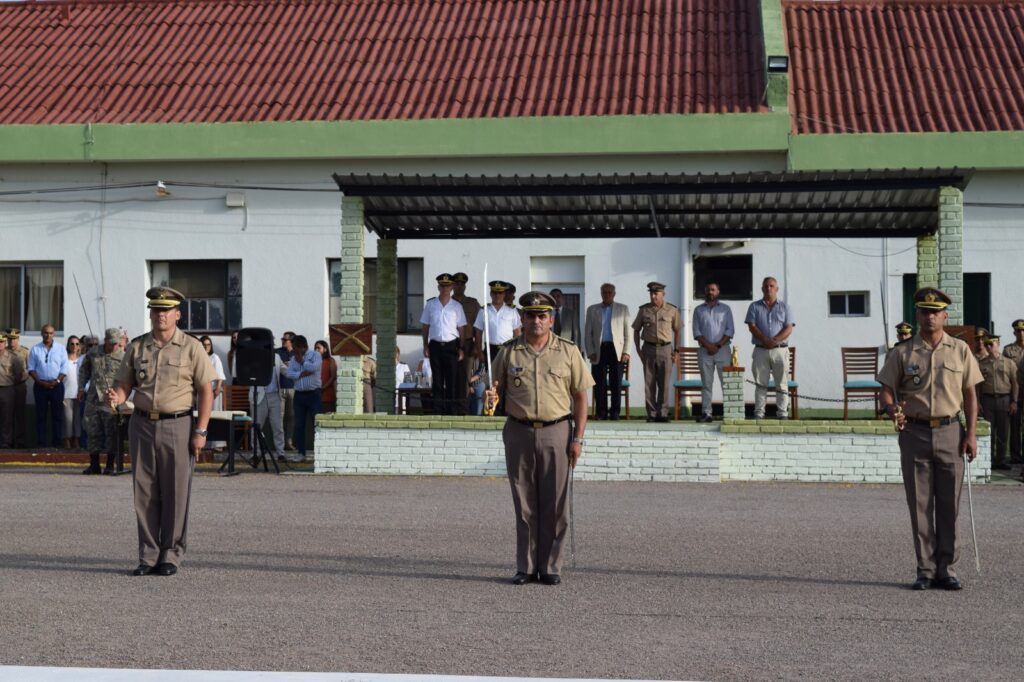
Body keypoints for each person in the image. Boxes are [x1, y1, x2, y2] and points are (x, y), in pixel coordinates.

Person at [877, 287, 982, 591]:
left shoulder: (960, 350)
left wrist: (972, 434)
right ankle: (925, 569)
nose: (930, 317)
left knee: (949, 504)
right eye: (924, 311)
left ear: (945, 316)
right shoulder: (904, 352)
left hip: (951, 431)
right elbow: (886, 387)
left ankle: (946, 568)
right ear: (918, 315)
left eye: (935, 312)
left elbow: (971, 395)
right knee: (920, 505)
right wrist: (889, 408)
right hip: (915, 432)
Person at [487, 291, 593, 586]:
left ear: (551, 320)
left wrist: (578, 439)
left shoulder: (568, 351)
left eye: (542, 316)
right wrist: (490, 396)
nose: (536, 320)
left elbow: (581, 398)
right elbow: (493, 388)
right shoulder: (509, 351)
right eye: (530, 315)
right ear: (521, 318)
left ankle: (551, 567)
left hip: (557, 431)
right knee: (524, 503)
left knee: (555, 504)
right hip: (518, 430)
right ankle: (526, 566)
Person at [107, 287, 214, 577]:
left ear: (177, 314)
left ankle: (171, 554)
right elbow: (124, 384)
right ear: (150, 314)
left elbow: (206, 390)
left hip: (177, 424)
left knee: (176, 491)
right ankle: (148, 555)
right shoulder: (138, 347)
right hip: (141, 423)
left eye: (166, 310)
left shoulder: (191, 347)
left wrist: (201, 431)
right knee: (144, 492)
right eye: (156, 310)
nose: (160, 315)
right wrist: (116, 396)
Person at [744, 276, 795, 420]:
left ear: (777, 289)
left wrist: (774, 340)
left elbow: (789, 328)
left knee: (782, 384)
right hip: (761, 350)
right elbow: (752, 326)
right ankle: (759, 413)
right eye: (766, 286)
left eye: (772, 286)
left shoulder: (785, 307)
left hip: (780, 350)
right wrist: (765, 339)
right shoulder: (754, 306)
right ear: (762, 288)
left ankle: (782, 414)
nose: (769, 288)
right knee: (761, 384)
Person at [78, 328, 125, 474]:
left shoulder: (123, 357)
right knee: (92, 430)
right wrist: (81, 388)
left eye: (116, 343)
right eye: (111, 343)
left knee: (111, 431)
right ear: (106, 341)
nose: (114, 346)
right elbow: (84, 370)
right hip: (93, 397)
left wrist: (121, 394)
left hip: (111, 399)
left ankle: (110, 465)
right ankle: (94, 464)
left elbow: (127, 378)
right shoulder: (94, 353)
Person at [632, 282, 681, 422]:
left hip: (666, 349)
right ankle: (652, 414)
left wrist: (676, 350)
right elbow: (636, 329)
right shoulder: (644, 310)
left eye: (656, 294)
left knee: (664, 383)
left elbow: (677, 330)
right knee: (649, 383)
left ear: (663, 295)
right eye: (651, 294)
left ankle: (663, 413)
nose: (653, 296)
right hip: (648, 349)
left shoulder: (672, 310)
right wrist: (637, 349)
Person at [420, 273, 466, 415]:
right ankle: (438, 409)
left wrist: (461, 348)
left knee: (452, 379)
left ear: (452, 287)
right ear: (439, 287)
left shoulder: (457, 306)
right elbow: (425, 327)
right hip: (435, 346)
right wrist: (425, 346)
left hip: (452, 346)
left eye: (448, 286)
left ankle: (452, 409)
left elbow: (461, 329)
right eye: (443, 286)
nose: (445, 288)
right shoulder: (430, 304)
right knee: (437, 380)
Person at [584, 283, 631, 420]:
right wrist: (590, 351)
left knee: (616, 382)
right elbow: (588, 334)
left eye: (610, 292)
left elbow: (628, 332)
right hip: (599, 349)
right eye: (604, 292)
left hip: (617, 350)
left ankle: (615, 412)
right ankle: (601, 412)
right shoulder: (592, 310)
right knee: (599, 382)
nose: (607, 295)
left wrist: (626, 352)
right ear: (601, 294)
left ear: (614, 294)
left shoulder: (623, 309)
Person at [692, 282, 735, 423]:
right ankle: (706, 413)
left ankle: (729, 414)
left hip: (722, 350)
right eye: (708, 290)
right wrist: (708, 346)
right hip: (705, 351)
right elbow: (697, 332)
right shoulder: (698, 310)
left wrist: (717, 345)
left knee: (726, 383)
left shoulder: (726, 309)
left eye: (713, 289)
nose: (711, 292)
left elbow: (730, 330)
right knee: (706, 384)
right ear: (705, 291)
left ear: (718, 291)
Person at [977, 335, 1018, 471]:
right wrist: (977, 402)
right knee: (989, 431)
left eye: (991, 344)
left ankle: (1000, 460)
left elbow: (1015, 383)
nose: (988, 347)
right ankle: (989, 459)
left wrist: (1014, 401)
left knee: (1003, 431)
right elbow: (978, 385)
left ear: (998, 344)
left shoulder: (1009, 363)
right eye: (987, 344)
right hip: (988, 399)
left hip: (1004, 399)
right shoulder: (982, 363)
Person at [28, 324, 70, 447]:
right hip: (40, 386)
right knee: (41, 416)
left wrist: (57, 381)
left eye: (51, 333)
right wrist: (40, 382)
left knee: (57, 416)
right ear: (42, 333)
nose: (48, 335)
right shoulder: (35, 349)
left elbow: (64, 368)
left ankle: (57, 443)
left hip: (56, 386)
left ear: (54, 334)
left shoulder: (61, 349)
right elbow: (31, 368)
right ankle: (41, 443)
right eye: (46, 332)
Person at [284, 335, 322, 462]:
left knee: (317, 424)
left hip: (314, 394)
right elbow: (289, 374)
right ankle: (301, 453)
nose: (293, 351)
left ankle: (320, 452)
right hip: (299, 395)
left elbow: (313, 368)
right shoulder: (293, 359)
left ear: (302, 347)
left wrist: (302, 362)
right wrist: (301, 373)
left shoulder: (315, 355)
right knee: (299, 425)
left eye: (295, 348)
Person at [453, 272, 481, 415]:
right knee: (450, 376)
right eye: (456, 283)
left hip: (468, 344)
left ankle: (463, 410)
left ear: (465, 286)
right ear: (452, 285)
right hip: (450, 344)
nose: (459, 286)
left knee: (464, 378)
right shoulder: (446, 302)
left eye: (461, 284)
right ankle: (451, 408)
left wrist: (477, 346)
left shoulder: (472, 303)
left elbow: (478, 326)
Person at [474, 280, 522, 362]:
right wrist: (479, 351)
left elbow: (517, 332)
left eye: (500, 293)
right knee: (490, 374)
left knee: (507, 374)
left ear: (504, 294)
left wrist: (517, 350)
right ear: (490, 294)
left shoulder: (512, 310)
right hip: (490, 349)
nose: (497, 295)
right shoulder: (483, 310)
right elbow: (478, 333)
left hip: (507, 349)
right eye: (494, 293)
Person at [255, 349, 286, 461]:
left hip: (274, 395)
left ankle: (280, 453)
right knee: (257, 426)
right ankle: (257, 453)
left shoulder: (276, 357)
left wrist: (298, 372)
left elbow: (284, 370)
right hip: (259, 396)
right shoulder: (255, 356)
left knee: (278, 426)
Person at [1002, 319, 1024, 465]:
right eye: (1018, 331)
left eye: (1023, 330)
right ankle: (1015, 456)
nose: (1021, 333)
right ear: (1014, 332)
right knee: (1015, 427)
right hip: (1016, 394)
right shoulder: (1008, 350)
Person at [0, 332, 27, 448]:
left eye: (1, 342)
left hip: (7, 388)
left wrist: (10, 384)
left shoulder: (13, 357)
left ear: (4, 343)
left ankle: (6, 442)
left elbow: (20, 374)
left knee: (7, 417)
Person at [6, 329, 30, 448]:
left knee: (20, 415)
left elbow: (30, 369)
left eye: (14, 339)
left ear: (18, 339)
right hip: (7, 387)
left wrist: (22, 378)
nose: (12, 342)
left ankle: (20, 442)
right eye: (10, 339)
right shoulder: (3, 352)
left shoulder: (24, 352)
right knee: (6, 415)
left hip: (20, 386)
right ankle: (7, 442)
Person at [62, 335, 83, 449]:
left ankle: (76, 440)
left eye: (77, 344)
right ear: (68, 345)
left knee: (77, 419)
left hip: (79, 393)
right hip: (66, 393)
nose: (74, 346)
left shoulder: (82, 360)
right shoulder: (64, 359)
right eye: (72, 344)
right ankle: (67, 440)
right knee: (67, 419)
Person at [276, 331, 297, 450]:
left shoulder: (298, 353)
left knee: (291, 416)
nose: (282, 341)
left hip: (294, 388)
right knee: (279, 417)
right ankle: (280, 443)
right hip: (280, 388)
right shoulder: (277, 352)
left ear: (291, 342)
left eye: (285, 340)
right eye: (282, 339)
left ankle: (288, 442)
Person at [314, 340, 338, 414]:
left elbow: (333, 376)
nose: (316, 350)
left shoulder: (330, 361)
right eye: (315, 348)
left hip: (327, 392)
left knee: (327, 416)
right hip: (315, 393)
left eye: (318, 348)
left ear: (325, 349)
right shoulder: (313, 361)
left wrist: (323, 387)